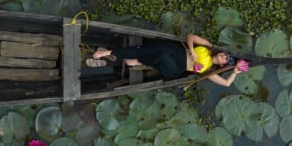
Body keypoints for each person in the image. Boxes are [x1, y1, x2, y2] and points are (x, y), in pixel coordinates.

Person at [85, 33, 242, 87]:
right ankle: (109, 52)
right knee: (162, 48)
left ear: (223, 64)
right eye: (226, 54)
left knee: (163, 55)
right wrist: (192, 51)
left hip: (175, 68)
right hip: (177, 52)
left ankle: (138, 61)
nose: (224, 56)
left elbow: (227, 84)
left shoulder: (209, 71)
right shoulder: (208, 46)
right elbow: (190, 37)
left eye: (227, 60)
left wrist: (234, 71)